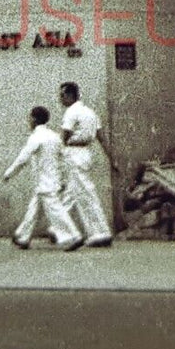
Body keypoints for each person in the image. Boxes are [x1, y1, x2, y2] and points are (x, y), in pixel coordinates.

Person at [5, 106, 83, 251]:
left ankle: (74, 236)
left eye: (29, 118)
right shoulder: (54, 136)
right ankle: (22, 236)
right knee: (33, 210)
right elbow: (63, 158)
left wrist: (9, 173)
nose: (28, 121)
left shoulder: (36, 137)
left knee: (56, 211)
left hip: (44, 183)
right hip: (51, 181)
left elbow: (23, 158)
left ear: (34, 119)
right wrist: (63, 179)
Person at [58, 82, 115, 248]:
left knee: (85, 194)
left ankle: (100, 233)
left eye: (62, 95)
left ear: (70, 96)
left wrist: (58, 156)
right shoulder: (90, 112)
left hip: (74, 153)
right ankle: (58, 228)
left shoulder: (71, 112)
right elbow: (102, 138)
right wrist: (111, 158)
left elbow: (65, 137)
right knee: (73, 192)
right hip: (86, 153)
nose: (61, 99)